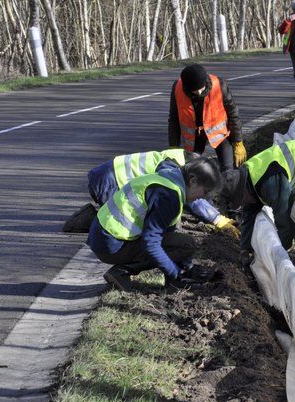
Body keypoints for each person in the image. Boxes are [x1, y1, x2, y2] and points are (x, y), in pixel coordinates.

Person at [87, 157, 222, 291]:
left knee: (183, 243)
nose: (203, 198)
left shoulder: (169, 178)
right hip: (111, 245)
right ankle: (122, 271)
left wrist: (187, 267)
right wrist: (176, 274)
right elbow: (151, 244)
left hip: (103, 237)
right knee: (187, 244)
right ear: (193, 181)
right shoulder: (169, 196)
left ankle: (170, 280)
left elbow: (167, 234)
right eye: (205, 192)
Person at [220, 138, 295, 279]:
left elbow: (285, 224)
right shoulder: (246, 178)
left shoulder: (269, 181)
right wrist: (245, 249)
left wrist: (271, 256)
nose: (242, 203)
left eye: (240, 200)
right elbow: (249, 215)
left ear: (243, 192)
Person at [62, 148, 239, 239]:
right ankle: (88, 219)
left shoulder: (184, 158)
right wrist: (217, 219)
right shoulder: (178, 169)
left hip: (107, 175)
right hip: (110, 181)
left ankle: (92, 217)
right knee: (122, 222)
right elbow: (192, 201)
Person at [169, 63, 246, 173]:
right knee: (193, 172)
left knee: (228, 171)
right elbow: (173, 119)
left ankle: (227, 187)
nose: (199, 93)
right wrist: (174, 146)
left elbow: (233, 113)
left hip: (220, 136)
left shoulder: (219, 85)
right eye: (195, 91)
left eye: (201, 89)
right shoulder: (177, 89)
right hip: (194, 138)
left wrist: (238, 141)